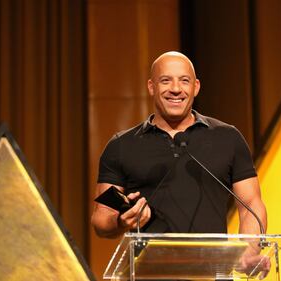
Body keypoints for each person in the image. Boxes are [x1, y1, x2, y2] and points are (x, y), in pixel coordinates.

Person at [91, 51, 270, 277]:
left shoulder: (228, 138)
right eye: (165, 80)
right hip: (148, 276)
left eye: (184, 81)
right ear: (151, 86)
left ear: (195, 87)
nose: (176, 89)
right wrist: (120, 221)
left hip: (211, 275)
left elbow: (251, 205)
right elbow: (101, 219)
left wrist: (249, 251)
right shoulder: (122, 145)